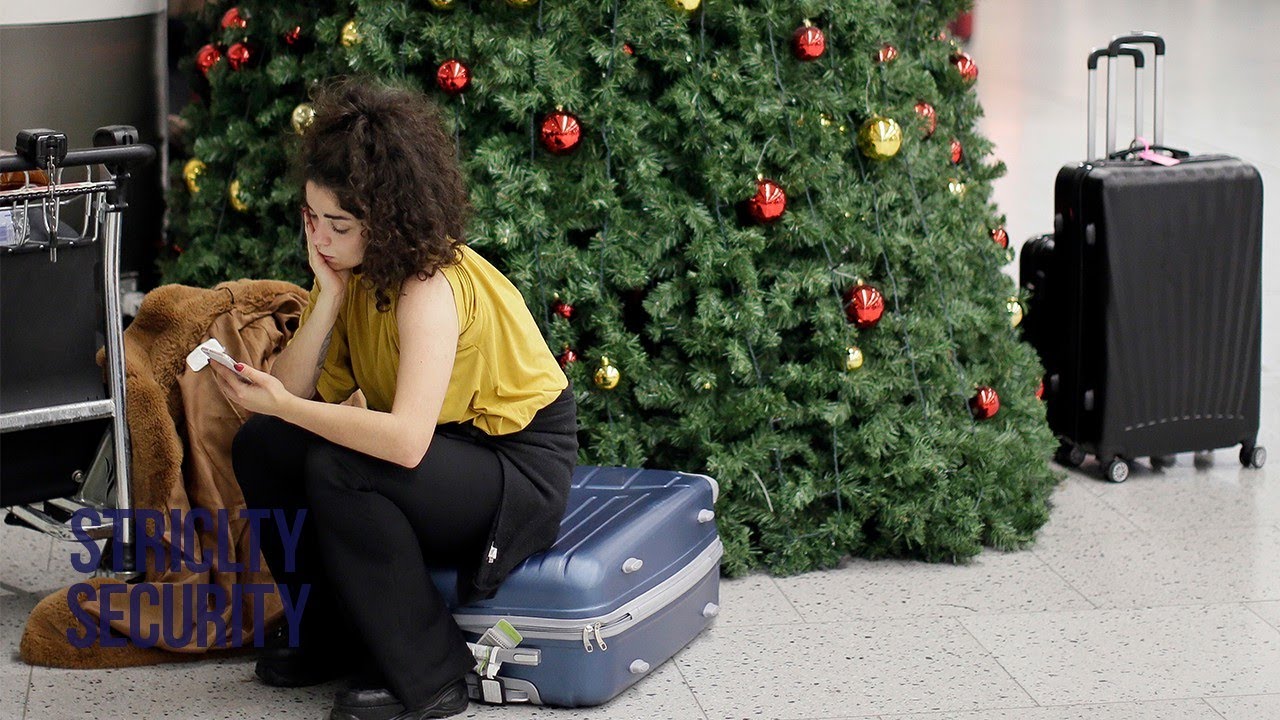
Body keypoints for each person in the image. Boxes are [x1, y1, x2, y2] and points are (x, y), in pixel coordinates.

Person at [212, 77, 578, 720]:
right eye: (311, 219)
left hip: (512, 463)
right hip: (445, 447)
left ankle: (431, 675)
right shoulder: (354, 274)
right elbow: (290, 397)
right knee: (265, 445)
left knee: (342, 467)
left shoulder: (427, 287)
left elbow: (406, 442)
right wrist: (324, 296)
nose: (319, 238)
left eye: (338, 224)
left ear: (386, 221)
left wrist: (287, 407)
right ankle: (325, 634)